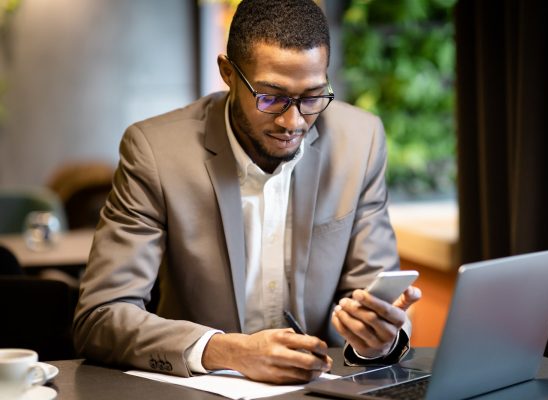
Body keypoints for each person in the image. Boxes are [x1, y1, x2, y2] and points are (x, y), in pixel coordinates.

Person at [73, 0, 421, 384]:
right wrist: (228, 351)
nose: (293, 121)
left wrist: (376, 339)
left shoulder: (361, 140)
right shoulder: (155, 151)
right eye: (270, 97)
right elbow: (100, 316)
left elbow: (376, 297)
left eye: (311, 97)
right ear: (227, 73)